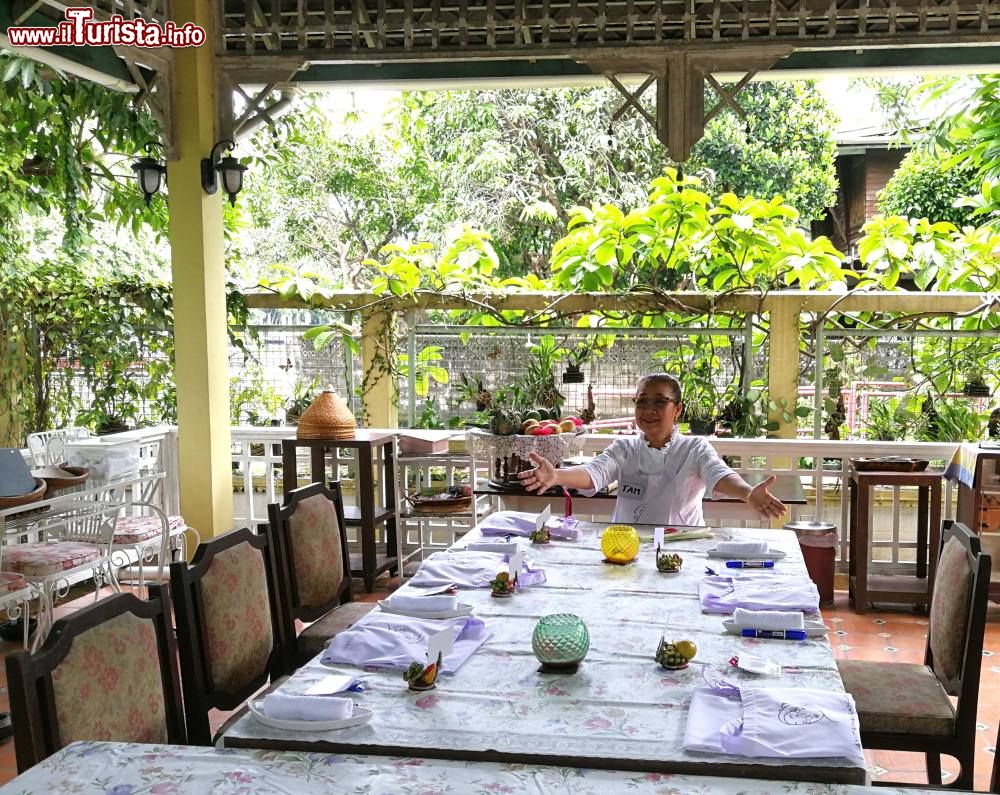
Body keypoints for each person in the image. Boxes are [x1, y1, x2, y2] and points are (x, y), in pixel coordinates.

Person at [518, 373, 787, 526]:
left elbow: (720, 475)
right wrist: (557, 476)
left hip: (681, 549)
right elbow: (594, 472)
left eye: (659, 402)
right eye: (642, 402)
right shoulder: (624, 448)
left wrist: (748, 493)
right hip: (625, 549)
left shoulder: (695, 448)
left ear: (678, 409)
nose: (648, 410)